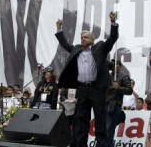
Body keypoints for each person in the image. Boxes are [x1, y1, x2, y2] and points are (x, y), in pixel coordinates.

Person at [55, 11, 118, 147]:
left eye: (85, 37)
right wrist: (59, 30)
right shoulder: (77, 49)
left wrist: (113, 23)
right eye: (81, 37)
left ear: (92, 40)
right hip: (82, 89)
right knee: (81, 120)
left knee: (100, 120)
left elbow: (112, 38)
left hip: (97, 89)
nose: (82, 39)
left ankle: (101, 145)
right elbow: (65, 44)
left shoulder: (100, 47)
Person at [106, 60, 132, 147]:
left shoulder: (124, 76)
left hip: (114, 105)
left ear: (120, 66)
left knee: (109, 129)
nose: (113, 65)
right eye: (112, 64)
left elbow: (129, 90)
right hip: (105, 105)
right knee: (104, 130)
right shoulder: (109, 76)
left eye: (116, 64)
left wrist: (119, 88)